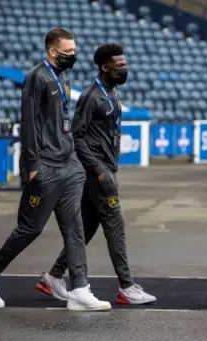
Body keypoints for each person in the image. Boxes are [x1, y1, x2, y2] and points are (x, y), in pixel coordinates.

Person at [0, 28, 111, 311]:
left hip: (68, 165)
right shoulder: (37, 77)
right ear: (52, 51)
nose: (73, 55)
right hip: (45, 165)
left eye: (74, 50)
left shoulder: (63, 76)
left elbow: (63, 120)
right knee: (30, 229)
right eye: (68, 51)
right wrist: (32, 166)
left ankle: (79, 289)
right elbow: (29, 122)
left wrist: (72, 156)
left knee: (75, 227)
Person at [34, 44, 156, 305]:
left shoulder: (111, 93)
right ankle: (126, 286)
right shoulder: (92, 97)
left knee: (87, 227)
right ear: (105, 67)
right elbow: (77, 137)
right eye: (119, 65)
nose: (124, 69)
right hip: (96, 173)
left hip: (104, 170)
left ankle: (54, 276)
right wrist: (100, 171)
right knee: (116, 225)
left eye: (124, 64)